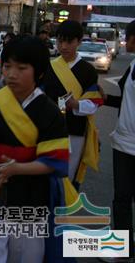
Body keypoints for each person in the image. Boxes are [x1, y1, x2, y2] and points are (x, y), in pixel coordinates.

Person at [0, 36, 70, 263]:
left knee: (25, 254)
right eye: (7, 66)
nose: (11, 74)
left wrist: (16, 168)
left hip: (30, 195)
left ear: (38, 72)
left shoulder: (49, 112)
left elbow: (54, 162)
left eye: (21, 68)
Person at [42, 20, 102, 185]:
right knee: (47, 173)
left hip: (75, 130)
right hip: (50, 128)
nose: (64, 46)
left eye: (69, 42)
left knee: (68, 175)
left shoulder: (88, 71)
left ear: (79, 42)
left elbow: (94, 102)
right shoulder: (50, 67)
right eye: (60, 41)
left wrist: (76, 105)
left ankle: (65, 206)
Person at [99, 20, 135, 262]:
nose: (125, 42)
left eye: (128, 37)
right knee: (122, 198)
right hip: (124, 142)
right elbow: (126, 101)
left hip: (130, 143)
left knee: (123, 198)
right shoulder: (133, 64)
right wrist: (104, 99)